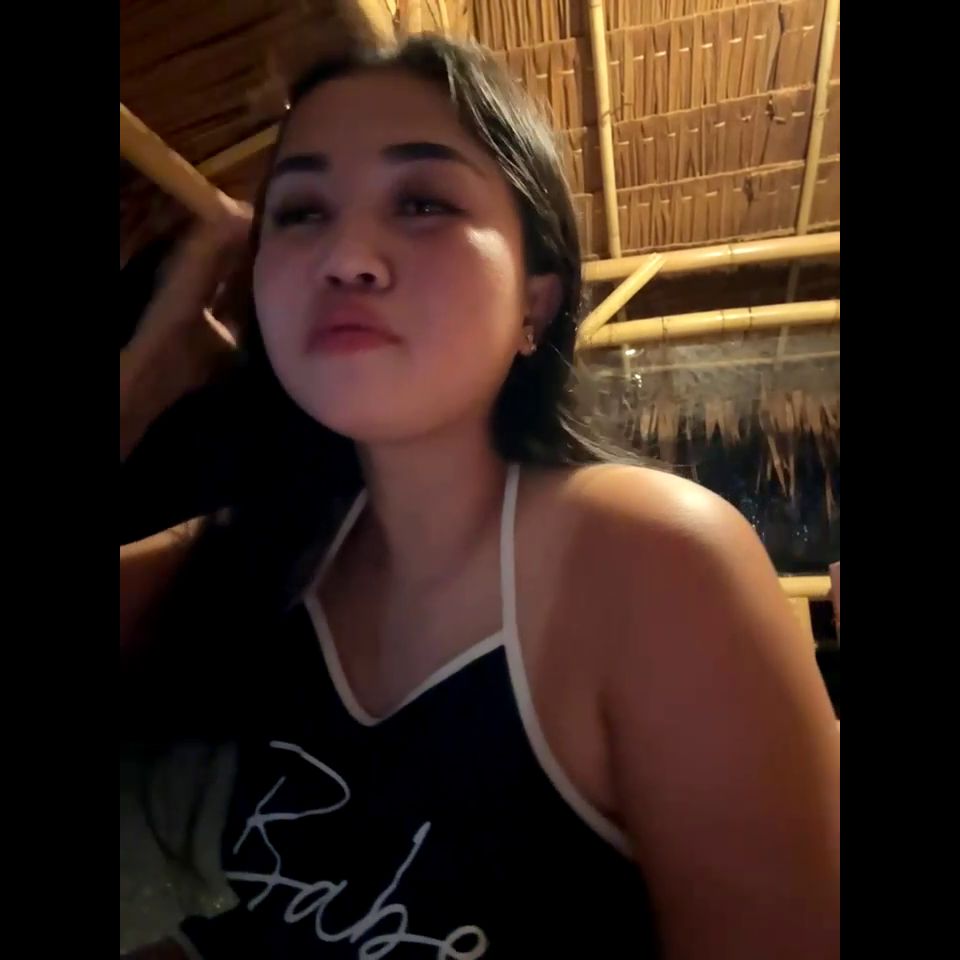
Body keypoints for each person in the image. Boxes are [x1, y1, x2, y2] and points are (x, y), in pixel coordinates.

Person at [120, 35, 840, 960]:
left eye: (423, 201)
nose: (346, 255)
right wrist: (145, 376)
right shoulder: (269, 549)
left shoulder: (655, 564)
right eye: (299, 212)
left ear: (535, 302)